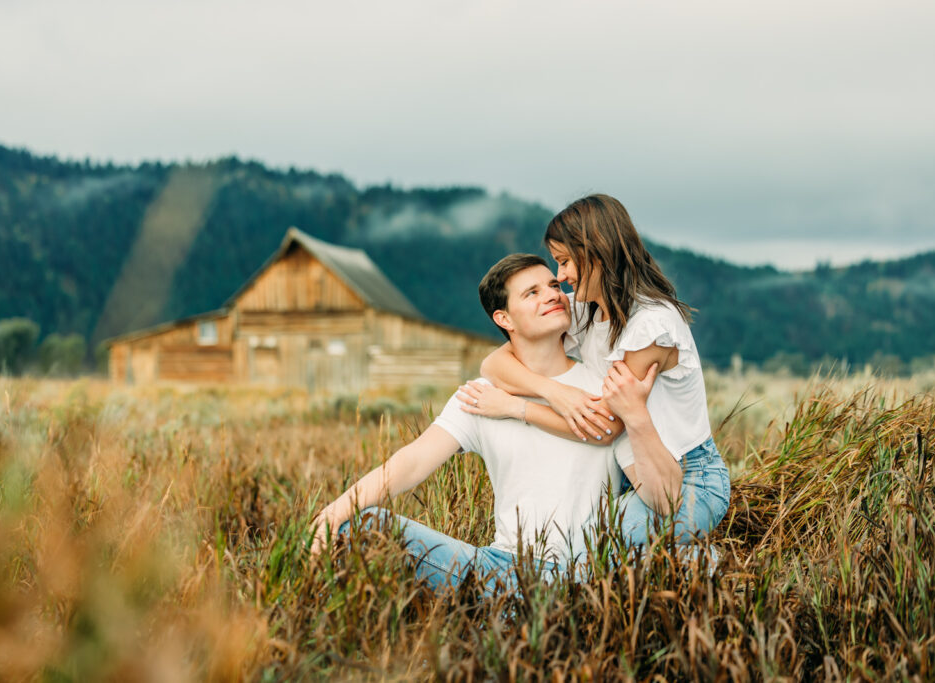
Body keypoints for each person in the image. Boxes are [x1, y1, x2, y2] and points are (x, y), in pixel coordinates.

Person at [309, 254, 625, 595]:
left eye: (553, 285)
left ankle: (502, 620)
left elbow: (613, 435)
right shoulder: (481, 396)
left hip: (588, 577)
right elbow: (412, 462)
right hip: (503, 571)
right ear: (504, 318)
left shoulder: (603, 381)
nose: (552, 294)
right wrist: (334, 511)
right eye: (531, 293)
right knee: (364, 525)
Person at [461, 194, 730, 547]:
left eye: (565, 262)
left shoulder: (651, 327)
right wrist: (553, 391)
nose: (562, 276)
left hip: (688, 477)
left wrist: (517, 408)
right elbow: (494, 362)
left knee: (587, 552)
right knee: (564, 547)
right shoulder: (588, 309)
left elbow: (604, 425)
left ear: (597, 251)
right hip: (627, 475)